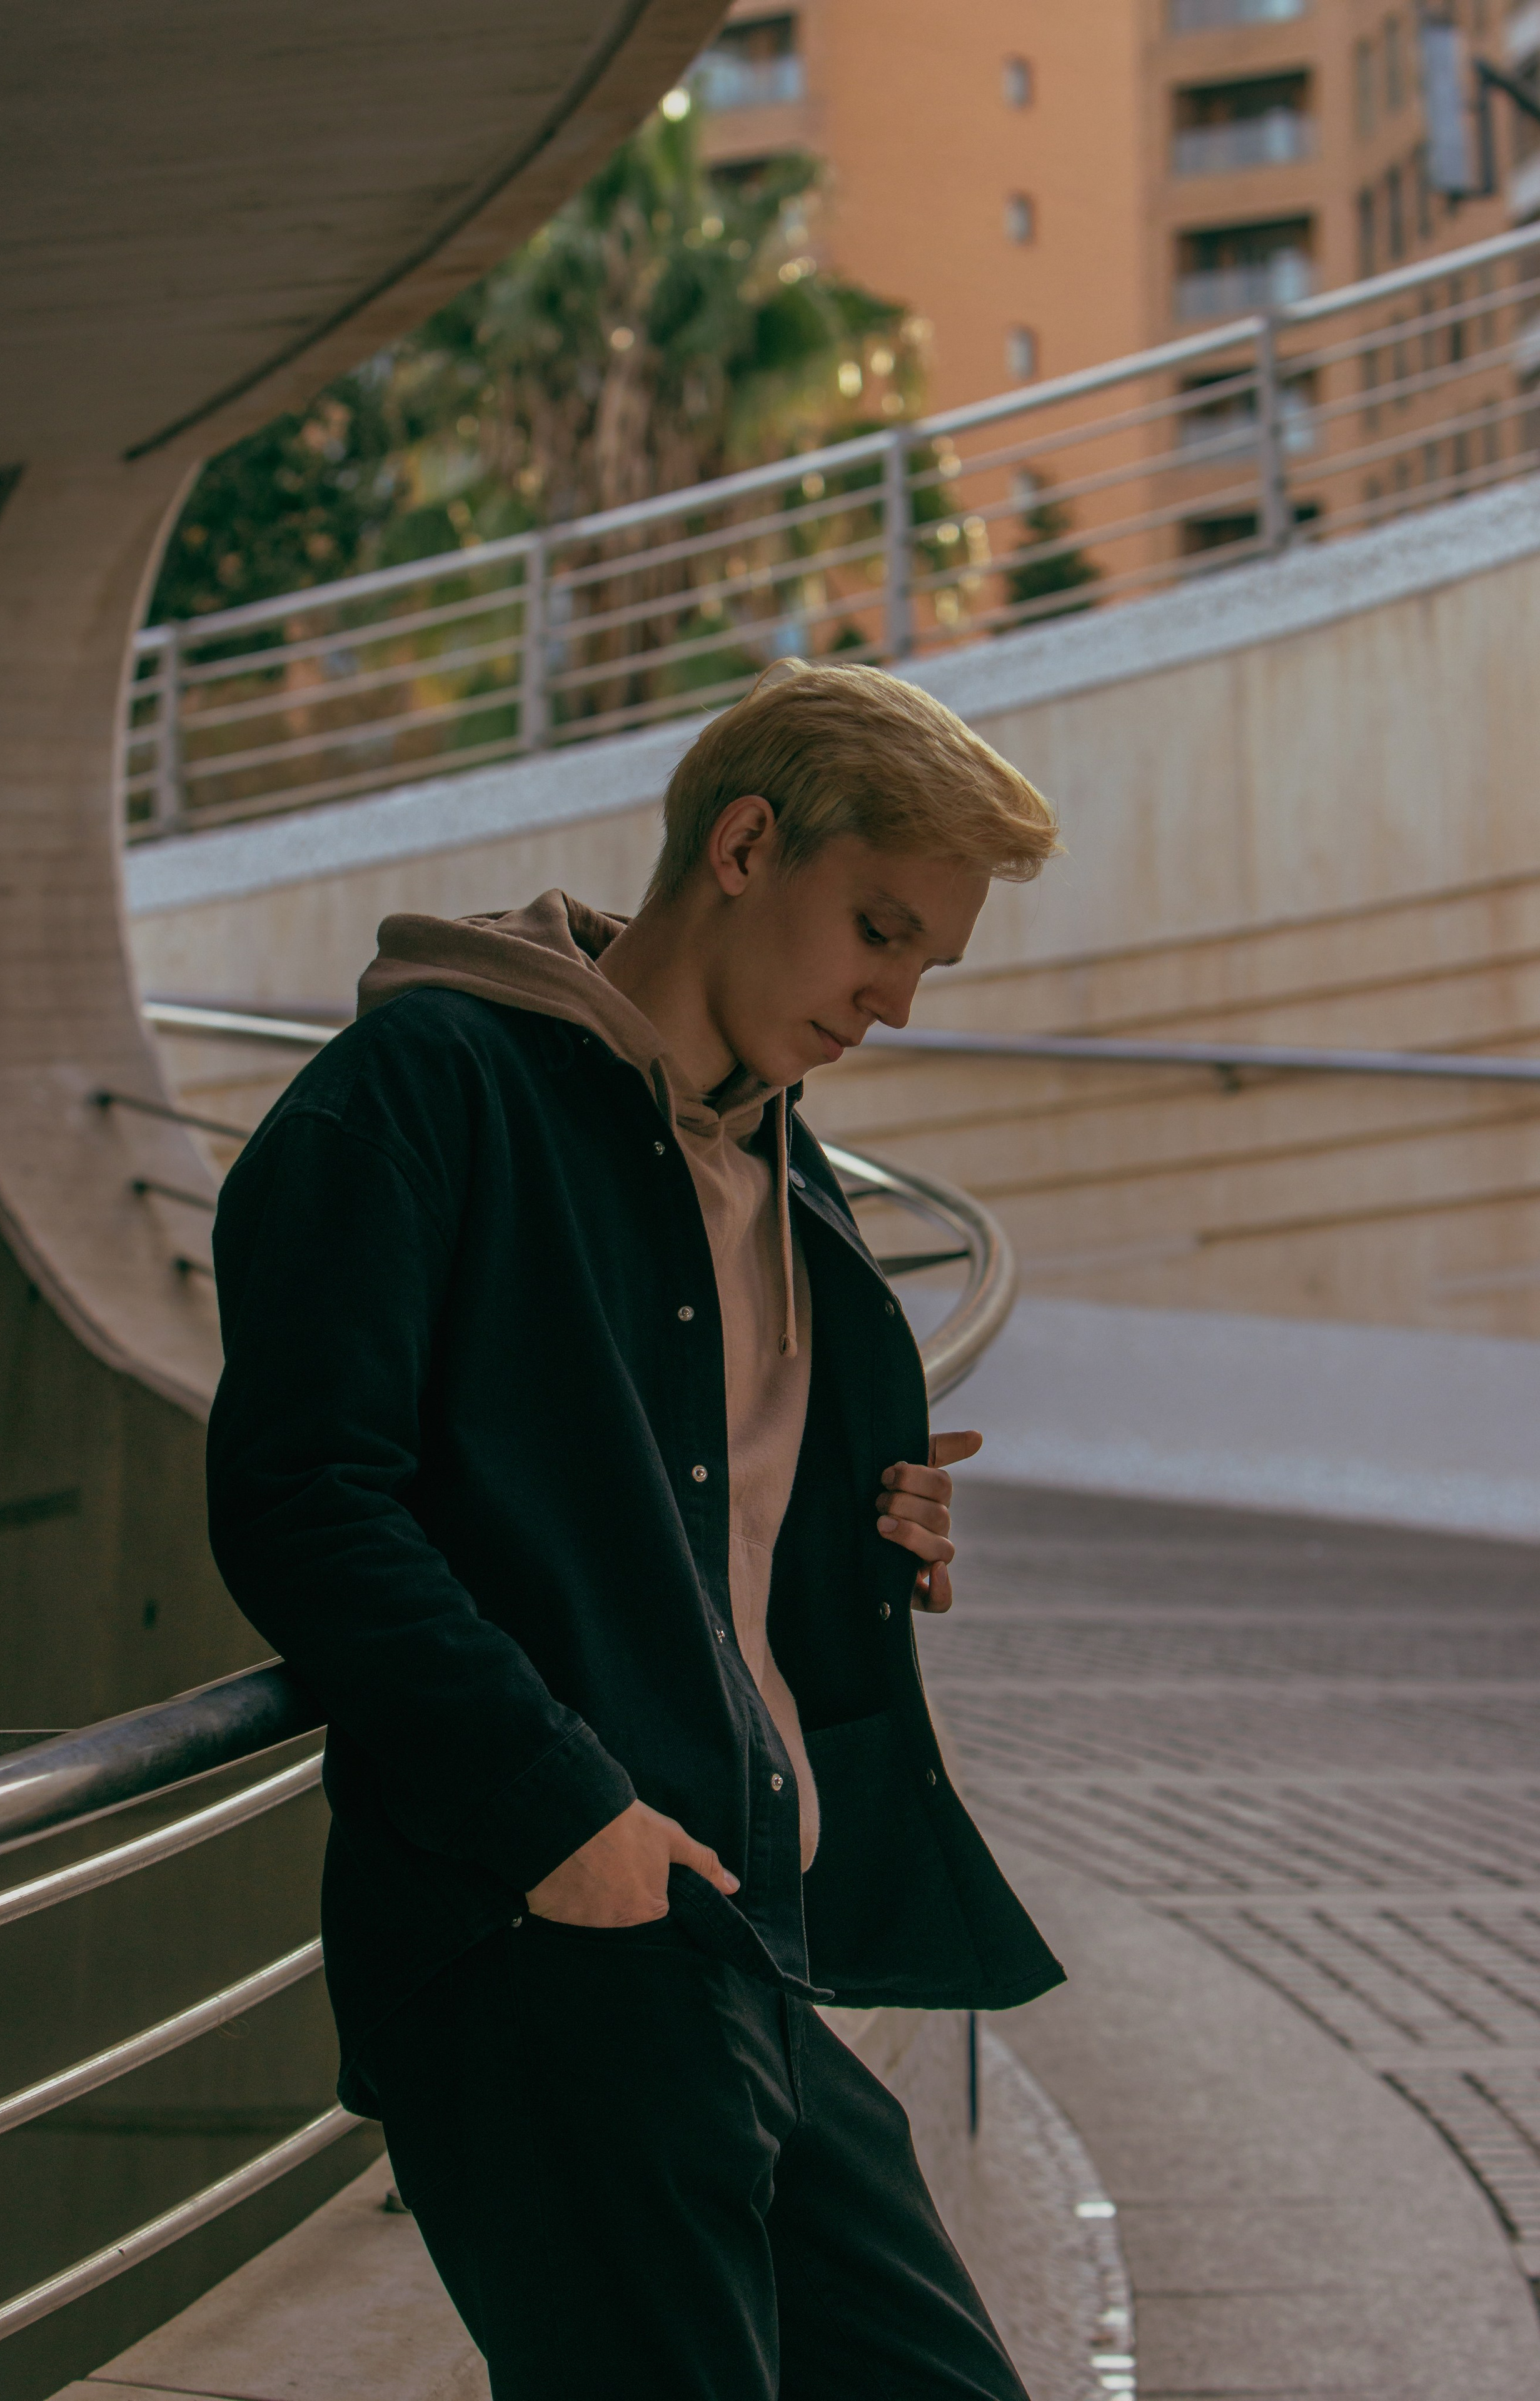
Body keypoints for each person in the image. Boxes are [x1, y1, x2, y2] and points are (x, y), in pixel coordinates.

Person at [207, 658, 1066, 2400]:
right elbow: (304, 1500)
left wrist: (862, 1527)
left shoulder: (774, 1158)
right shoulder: (419, 1093)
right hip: (552, 1944)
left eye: (927, 962)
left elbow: (683, 1516)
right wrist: (561, 1816)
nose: (893, 999)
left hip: (737, 1931)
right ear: (745, 846)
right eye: (879, 930)